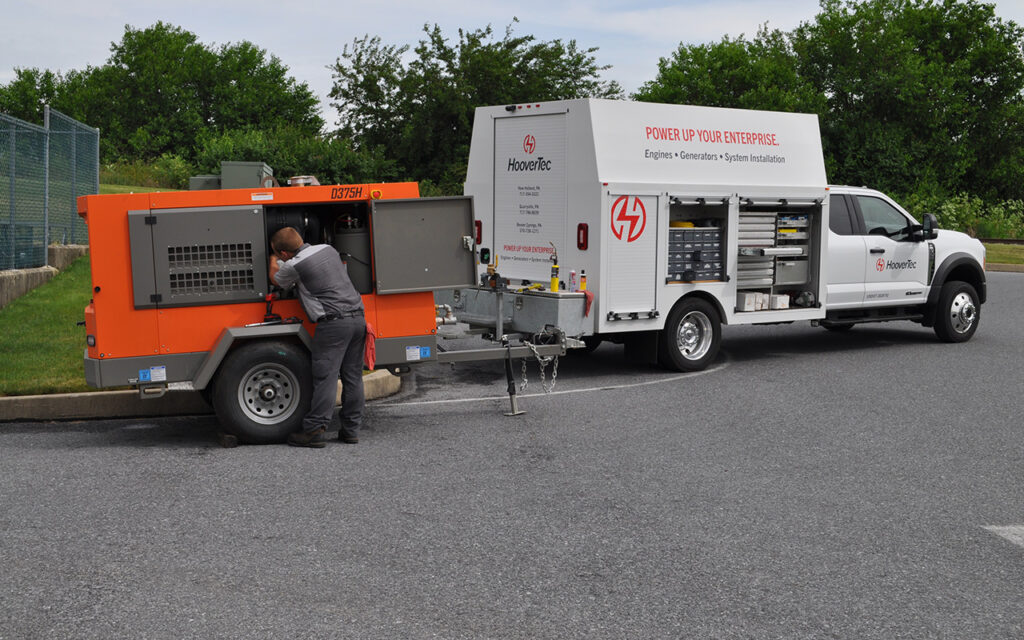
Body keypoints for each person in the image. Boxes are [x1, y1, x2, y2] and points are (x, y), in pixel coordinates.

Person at [269, 226, 365, 447]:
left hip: (333, 324)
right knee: (353, 376)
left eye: (279, 253)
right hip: (358, 318)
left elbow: (277, 280)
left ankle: (314, 431)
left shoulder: (294, 264)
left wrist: (272, 259)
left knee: (326, 377)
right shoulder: (329, 249)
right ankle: (351, 430)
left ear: (284, 254)